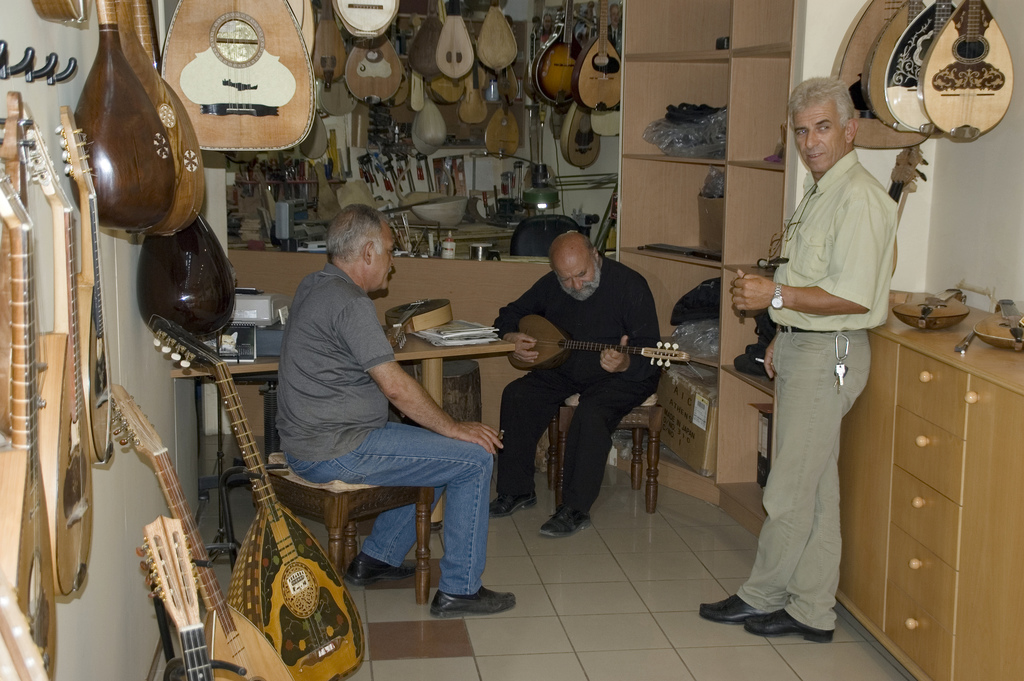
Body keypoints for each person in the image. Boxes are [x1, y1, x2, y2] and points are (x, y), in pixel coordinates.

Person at [699, 77, 898, 642]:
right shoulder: (821, 189)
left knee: (786, 490)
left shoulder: (858, 198)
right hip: (809, 347)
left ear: (849, 130)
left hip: (831, 355)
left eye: (823, 128)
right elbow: (814, 279)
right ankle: (812, 611)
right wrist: (780, 333)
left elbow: (855, 296)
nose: (810, 142)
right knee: (817, 492)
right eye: (802, 130)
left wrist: (774, 298)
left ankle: (761, 596)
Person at [275, 204, 515, 618]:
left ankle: (377, 559)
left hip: (307, 441)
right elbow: (396, 388)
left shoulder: (315, 284)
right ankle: (460, 589)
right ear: (367, 253)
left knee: (436, 448)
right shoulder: (351, 304)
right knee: (472, 457)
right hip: (338, 448)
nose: (392, 264)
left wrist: (444, 430)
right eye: (388, 251)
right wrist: (456, 426)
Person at [489, 231, 661, 537]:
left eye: (582, 274)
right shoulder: (552, 284)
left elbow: (649, 353)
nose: (576, 286)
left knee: (591, 413)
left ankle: (574, 509)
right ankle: (517, 490)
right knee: (518, 395)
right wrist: (510, 335)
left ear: (595, 255)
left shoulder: (630, 286)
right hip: (566, 367)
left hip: (621, 376)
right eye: (566, 279)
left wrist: (624, 362)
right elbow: (509, 313)